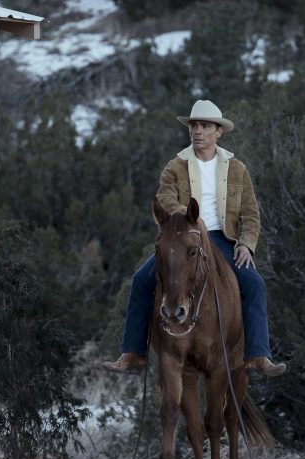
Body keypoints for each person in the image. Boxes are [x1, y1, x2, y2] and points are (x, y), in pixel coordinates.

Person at [103, 100, 286, 377]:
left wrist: (246, 244)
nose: (198, 131)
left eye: (205, 126)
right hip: (184, 238)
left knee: (254, 284)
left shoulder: (236, 168)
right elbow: (164, 197)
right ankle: (133, 352)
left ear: (218, 132)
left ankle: (258, 355)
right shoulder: (176, 166)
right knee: (141, 281)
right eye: (194, 126)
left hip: (223, 239)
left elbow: (250, 213)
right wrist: (187, 218)